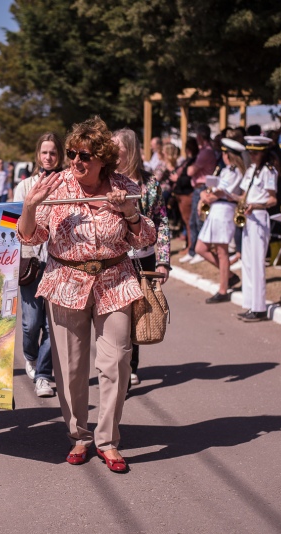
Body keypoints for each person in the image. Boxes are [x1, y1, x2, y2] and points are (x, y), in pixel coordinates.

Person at [17, 117, 156, 473]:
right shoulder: (56, 185)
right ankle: (79, 435)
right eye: (72, 153)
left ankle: (107, 440)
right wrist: (30, 207)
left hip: (115, 279)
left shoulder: (125, 186)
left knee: (116, 362)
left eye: (85, 155)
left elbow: (145, 239)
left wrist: (129, 212)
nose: (76, 161)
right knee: (71, 368)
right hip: (65, 280)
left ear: (102, 159)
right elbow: (30, 238)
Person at [113, 128, 170, 388]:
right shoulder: (108, 181)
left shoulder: (150, 183)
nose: (112, 152)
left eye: (117, 148)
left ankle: (131, 366)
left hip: (143, 259)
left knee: (137, 314)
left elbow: (162, 221)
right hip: (114, 259)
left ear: (130, 150)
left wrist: (163, 260)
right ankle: (118, 365)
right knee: (117, 316)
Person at [13, 132, 64, 398]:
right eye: (44, 152)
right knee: (31, 324)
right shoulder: (24, 186)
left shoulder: (67, 184)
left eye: (53, 152)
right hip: (30, 262)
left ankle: (44, 376)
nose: (48, 157)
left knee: (53, 325)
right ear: (37, 155)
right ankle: (30, 355)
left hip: (58, 264)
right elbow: (11, 225)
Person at [195, 139, 247, 302]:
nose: (222, 156)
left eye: (224, 153)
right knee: (200, 248)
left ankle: (223, 290)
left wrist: (204, 196)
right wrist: (205, 195)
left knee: (222, 251)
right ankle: (229, 275)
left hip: (224, 210)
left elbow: (220, 193)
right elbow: (214, 190)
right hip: (216, 210)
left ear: (228, 155)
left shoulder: (236, 172)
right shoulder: (226, 171)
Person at [238, 136, 278, 322]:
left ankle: (259, 307)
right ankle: (250, 303)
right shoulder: (252, 170)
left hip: (260, 217)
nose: (251, 156)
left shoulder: (269, 171)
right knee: (247, 261)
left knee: (257, 263)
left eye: (255, 152)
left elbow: (273, 199)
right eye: (250, 152)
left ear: (263, 152)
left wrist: (255, 204)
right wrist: (240, 200)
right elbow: (244, 193)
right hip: (248, 217)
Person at [186, 124, 217, 264]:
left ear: (200, 137)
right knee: (193, 221)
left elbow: (190, 171)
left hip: (202, 188)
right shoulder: (205, 150)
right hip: (199, 188)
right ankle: (193, 250)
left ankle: (199, 250)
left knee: (199, 220)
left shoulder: (206, 152)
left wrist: (191, 168)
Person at [174, 137, 198, 261]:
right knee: (187, 223)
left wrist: (176, 179)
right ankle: (189, 246)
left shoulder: (194, 160)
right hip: (181, 194)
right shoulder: (188, 160)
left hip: (187, 194)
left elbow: (187, 178)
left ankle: (191, 247)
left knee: (189, 223)